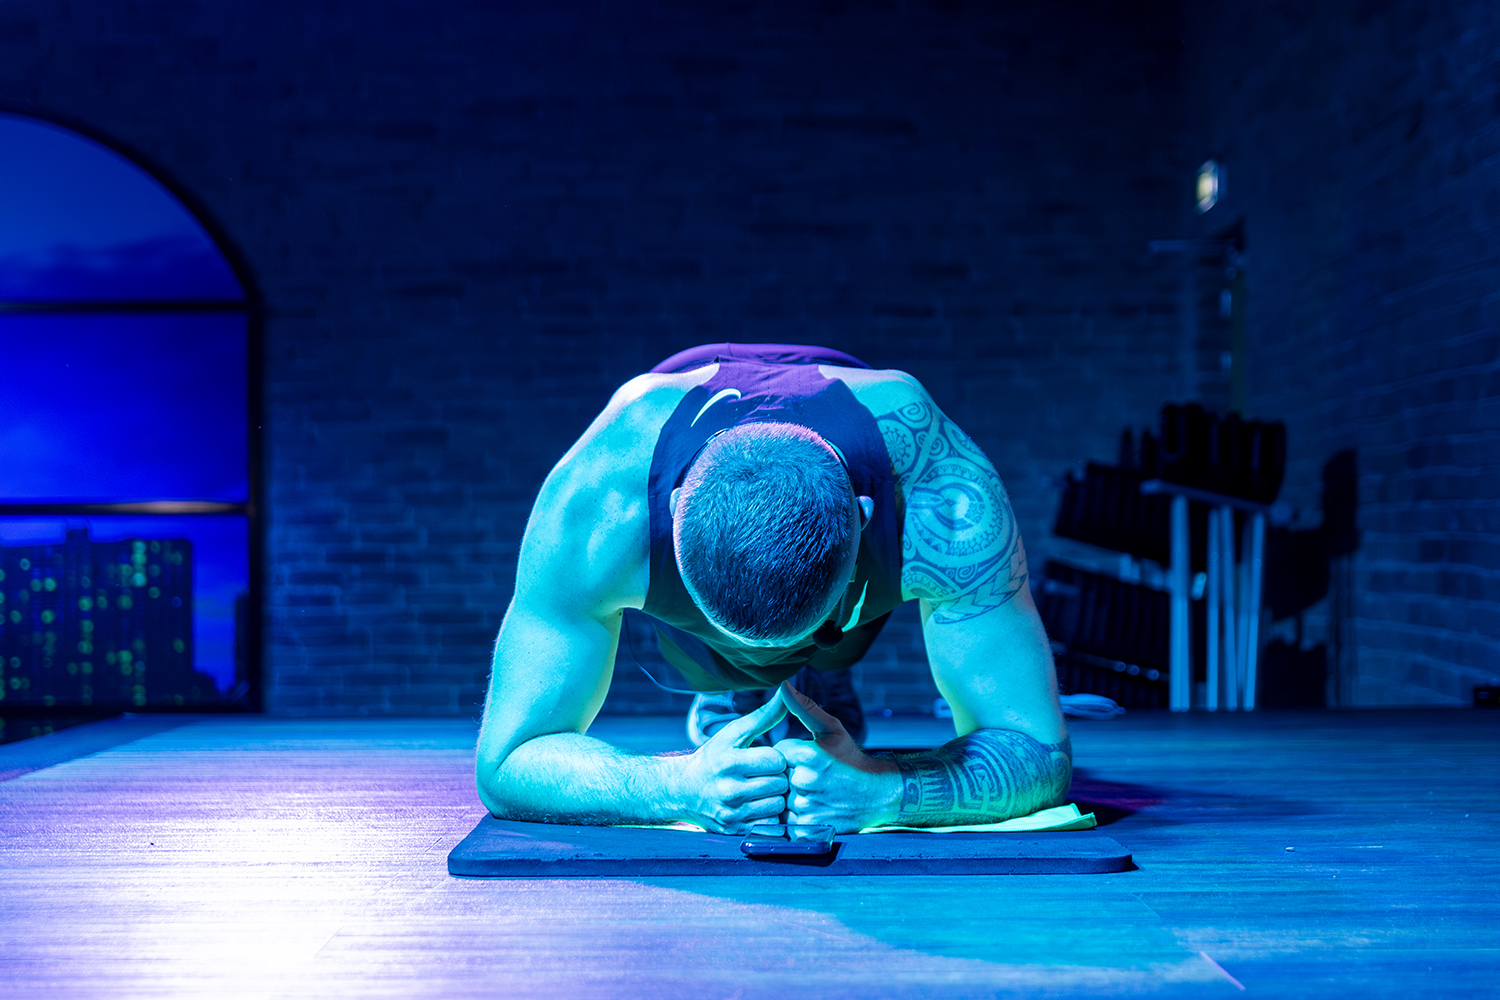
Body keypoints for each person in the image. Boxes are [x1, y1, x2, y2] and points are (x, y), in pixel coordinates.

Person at [476, 344, 1070, 834]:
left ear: (865, 519)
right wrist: (677, 786)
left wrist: (884, 791)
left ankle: (820, 663)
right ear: (673, 513)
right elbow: (506, 760)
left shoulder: (940, 497)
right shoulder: (603, 503)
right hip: (715, 622)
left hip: (850, 591)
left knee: (822, 655)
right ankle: (731, 676)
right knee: (731, 668)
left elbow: (1039, 750)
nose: (769, 657)